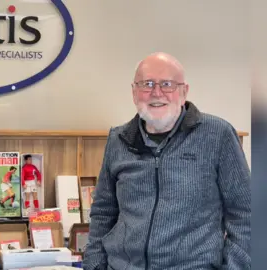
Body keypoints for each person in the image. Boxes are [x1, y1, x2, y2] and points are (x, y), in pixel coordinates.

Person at [83, 52, 251, 270]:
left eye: (167, 84)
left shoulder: (217, 135)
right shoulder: (119, 139)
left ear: (184, 92)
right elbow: (103, 211)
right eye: (147, 84)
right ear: (134, 92)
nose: (157, 92)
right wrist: (94, 265)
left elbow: (247, 213)